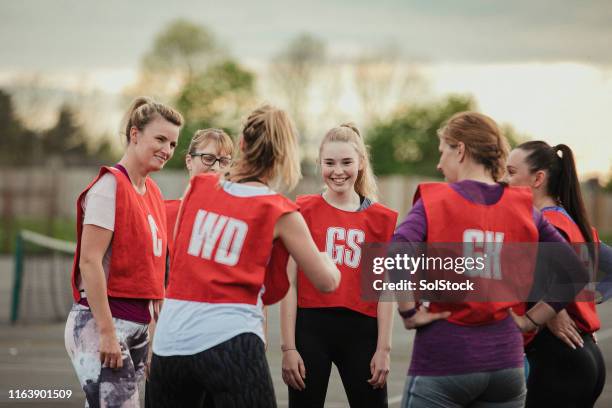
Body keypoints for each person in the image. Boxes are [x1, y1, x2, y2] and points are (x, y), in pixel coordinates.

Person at [148, 104, 341, 407]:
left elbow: (182, 255)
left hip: (171, 341)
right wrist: (327, 259)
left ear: (241, 145)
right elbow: (326, 281)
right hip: (230, 337)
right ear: (284, 155)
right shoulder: (279, 210)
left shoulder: (198, 188)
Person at [392, 111, 587, 408]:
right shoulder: (522, 206)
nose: (438, 163)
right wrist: (530, 321)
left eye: (442, 152)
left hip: (445, 359)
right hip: (506, 365)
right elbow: (575, 269)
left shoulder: (436, 200)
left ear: (460, 150)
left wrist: (409, 312)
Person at [65, 97, 183, 407]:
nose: (167, 150)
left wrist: (154, 333)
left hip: (137, 325)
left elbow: (151, 272)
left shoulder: (152, 191)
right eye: (160, 139)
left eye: (172, 143)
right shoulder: (110, 187)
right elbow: (89, 262)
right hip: (101, 323)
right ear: (134, 135)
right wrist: (106, 332)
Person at [280, 123, 398, 408]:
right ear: (320, 163)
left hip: (362, 333)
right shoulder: (302, 211)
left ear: (360, 163)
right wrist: (289, 348)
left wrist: (383, 348)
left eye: (346, 162)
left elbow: (384, 290)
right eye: (329, 163)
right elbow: (289, 285)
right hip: (311, 331)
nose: (338, 171)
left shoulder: (381, 219)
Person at [507, 141, 607, 407]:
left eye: (511, 172)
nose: (504, 180)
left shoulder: (545, 226)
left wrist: (554, 310)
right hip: (586, 355)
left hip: (559, 360)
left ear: (538, 178)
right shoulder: (575, 224)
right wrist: (584, 307)